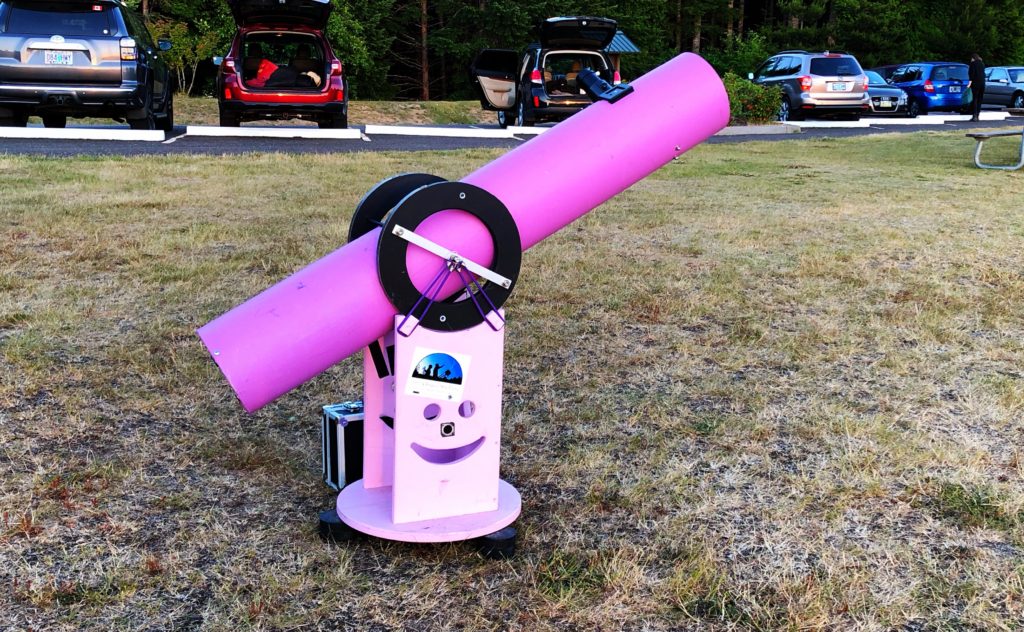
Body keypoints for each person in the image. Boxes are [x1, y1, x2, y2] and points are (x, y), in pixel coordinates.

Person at [969, 53, 985, 122]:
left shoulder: (973, 64)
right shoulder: (982, 64)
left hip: (975, 83)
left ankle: (974, 115)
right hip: (982, 84)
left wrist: (969, 84)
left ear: (973, 58)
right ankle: (978, 115)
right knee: (980, 100)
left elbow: (971, 74)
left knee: (974, 99)